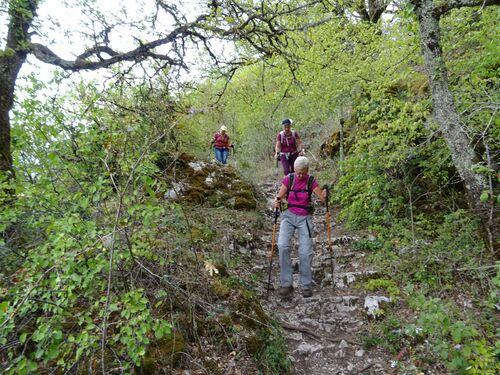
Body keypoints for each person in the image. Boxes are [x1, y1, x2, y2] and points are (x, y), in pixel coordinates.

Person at [272, 156, 326, 298]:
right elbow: (280, 196)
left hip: (304, 218)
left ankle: (306, 284)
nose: (300, 175)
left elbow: (322, 197)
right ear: (294, 170)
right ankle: (286, 284)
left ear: (307, 170)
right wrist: (277, 202)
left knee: (305, 252)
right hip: (288, 216)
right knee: (282, 246)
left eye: (302, 172)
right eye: (297, 172)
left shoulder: (311, 181)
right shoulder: (289, 179)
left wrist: (325, 195)